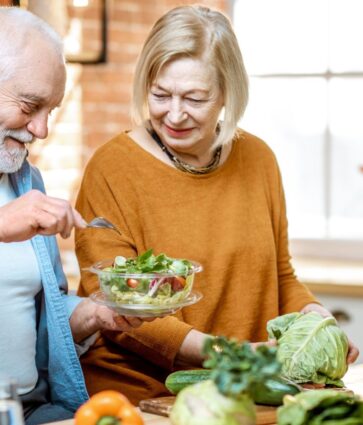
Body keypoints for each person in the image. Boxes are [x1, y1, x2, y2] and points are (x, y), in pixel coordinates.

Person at [75, 5, 359, 404]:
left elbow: (280, 275)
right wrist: (226, 353)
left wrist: (318, 323)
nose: (174, 114)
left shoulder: (259, 159)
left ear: (228, 92)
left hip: (243, 390)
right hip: (141, 396)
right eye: (160, 94)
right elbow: (115, 305)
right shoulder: (112, 168)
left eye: (195, 97)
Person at [0, 7, 148, 425]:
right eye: (30, 104)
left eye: (52, 110)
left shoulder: (26, 181)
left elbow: (35, 311)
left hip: (30, 410)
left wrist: (96, 314)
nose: (42, 129)